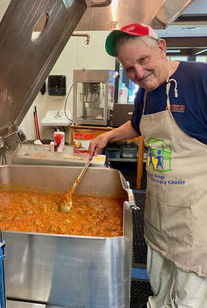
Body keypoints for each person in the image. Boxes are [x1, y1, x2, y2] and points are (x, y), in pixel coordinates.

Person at [88, 22, 207, 308]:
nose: (138, 73)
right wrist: (108, 135)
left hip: (196, 214)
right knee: (159, 286)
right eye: (129, 69)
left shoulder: (200, 78)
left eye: (143, 61)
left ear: (161, 49)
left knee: (190, 297)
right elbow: (138, 124)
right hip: (158, 210)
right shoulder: (145, 91)